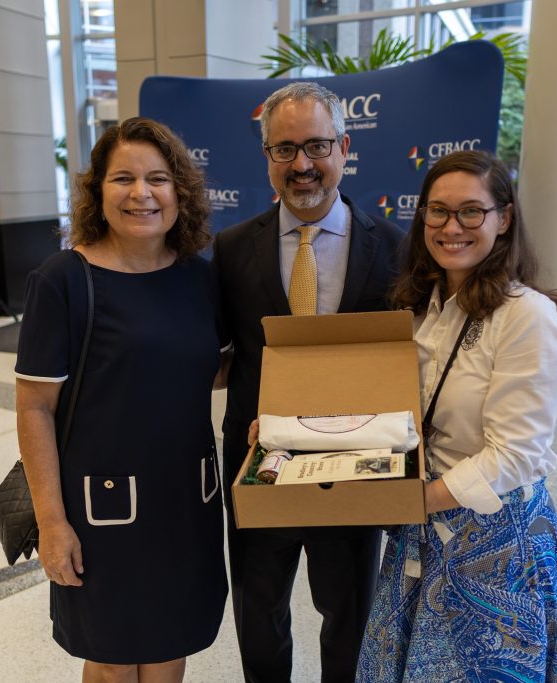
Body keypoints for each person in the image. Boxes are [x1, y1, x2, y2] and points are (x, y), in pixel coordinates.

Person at [355, 150, 557, 682]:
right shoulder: (424, 305)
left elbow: (518, 453)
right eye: (437, 211)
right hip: (424, 528)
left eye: (470, 212)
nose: (451, 227)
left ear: (503, 219)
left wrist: (416, 500)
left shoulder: (527, 316)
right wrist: (292, 433)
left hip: (494, 545)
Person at [15, 117, 228, 683]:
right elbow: (35, 405)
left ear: (179, 190)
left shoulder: (200, 280)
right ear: (97, 191)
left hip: (187, 503)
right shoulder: (63, 280)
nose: (141, 193)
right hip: (98, 510)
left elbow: (214, 368)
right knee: (111, 658)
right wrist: (52, 522)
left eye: (158, 178)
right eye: (122, 179)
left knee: (168, 647)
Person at [213, 81, 405, 683]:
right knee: (258, 605)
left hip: (353, 464)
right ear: (267, 156)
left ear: (345, 148)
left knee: (348, 610)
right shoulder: (230, 249)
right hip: (257, 459)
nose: (302, 165)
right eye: (284, 149)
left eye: (317, 146)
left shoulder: (396, 250)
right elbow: (214, 352)